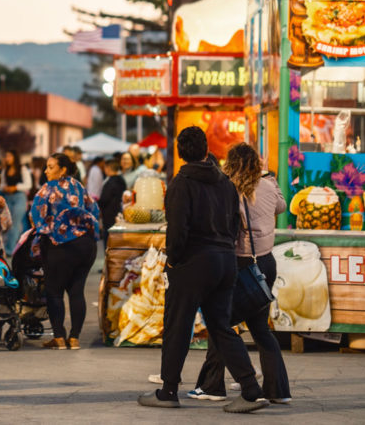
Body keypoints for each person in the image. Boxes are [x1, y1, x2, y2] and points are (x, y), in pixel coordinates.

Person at [137, 127, 268, 413]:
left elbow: (178, 230)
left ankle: (168, 390)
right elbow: (235, 223)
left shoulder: (181, 183)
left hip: (193, 263)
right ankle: (251, 390)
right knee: (221, 326)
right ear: (206, 149)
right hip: (225, 261)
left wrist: (173, 261)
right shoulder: (225, 182)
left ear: (180, 152)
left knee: (177, 326)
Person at [190, 143, 290, 404]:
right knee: (260, 329)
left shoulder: (228, 190)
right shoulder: (268, 186)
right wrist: (269, 176)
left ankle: (212, 386)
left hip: (239, 267)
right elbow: (281, 206)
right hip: (266, 265)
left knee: (219, 324)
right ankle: (278, 391)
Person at [30, 153, 100, 350]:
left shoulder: (47, 189)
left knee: (54, 292)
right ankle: (75, 338)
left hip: (58, 246)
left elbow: (36, 217)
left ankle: (59, 338)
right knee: (77, 291)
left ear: (62, 170)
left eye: (50, 167)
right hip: (85, 246)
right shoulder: (79, 186)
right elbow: (94, 210)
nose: (46, 171)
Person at [0, 149, 32, 255]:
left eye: (9, 156)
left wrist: (15, 187)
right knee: (8, 223)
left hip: (19, 197)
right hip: (8, 197)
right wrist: (5, 188)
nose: (7, 158)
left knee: (16, 222)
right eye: (6, 156)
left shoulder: (22, 169)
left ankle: (11, 249)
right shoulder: (5, 170)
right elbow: (1, 183)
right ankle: (12, 246)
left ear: (15, 157)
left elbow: (28, 184)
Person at [97, 157, 127, 246]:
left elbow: (104, 199)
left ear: (108, 168)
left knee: (109, 240)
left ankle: (109, 257)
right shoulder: (121, 180)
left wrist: (98, 206)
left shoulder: (110, 182)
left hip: (109, 215)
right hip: (119, 212)